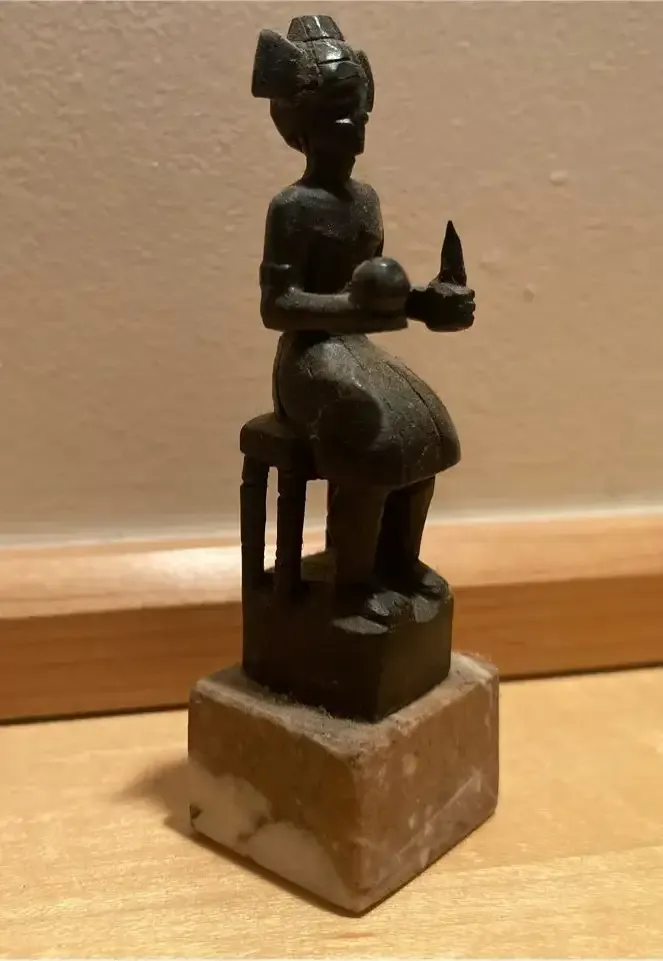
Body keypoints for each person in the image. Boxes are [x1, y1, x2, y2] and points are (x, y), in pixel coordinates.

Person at [252, 15, 475, 613]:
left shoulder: (366, 201)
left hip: (355, 352)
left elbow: (379, 296)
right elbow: (278, 307)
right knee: (375, 433)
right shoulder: (293, 207)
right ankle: (353, 581)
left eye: (359, 114)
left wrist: (429, 303)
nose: (353, 126)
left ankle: (397, 559)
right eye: (335, 115)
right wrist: (353, 308)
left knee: (429, 426)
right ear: (302, 125)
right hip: (307, 362)